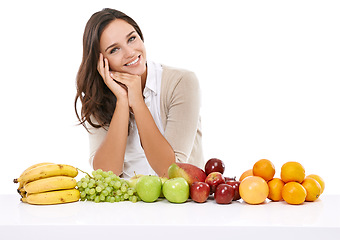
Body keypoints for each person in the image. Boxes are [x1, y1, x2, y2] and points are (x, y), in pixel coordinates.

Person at [74, 8, 203, 179]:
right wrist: (122, 100)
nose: (130, 53)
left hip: (179, 203)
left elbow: (171, 171)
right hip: (129, 203)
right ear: (100, 62)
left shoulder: (181, 82)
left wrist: (137, 102)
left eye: (132, 39)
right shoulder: (96, 97)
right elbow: (105, 174)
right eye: (114, 50)